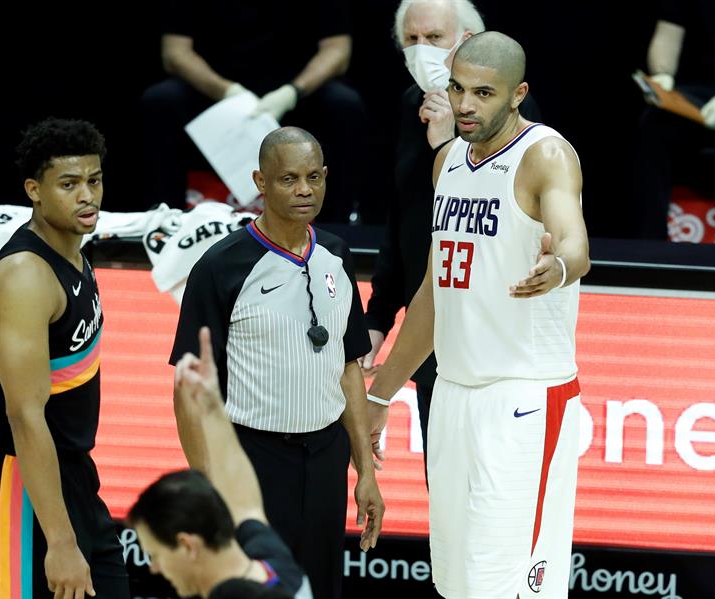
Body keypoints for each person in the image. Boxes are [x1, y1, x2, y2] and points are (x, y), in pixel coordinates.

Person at [366, 32, 590, 598]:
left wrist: (559, 268)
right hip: (454, 395)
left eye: (483, 93)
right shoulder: (448, 166)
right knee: (457, 583)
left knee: (512, 587)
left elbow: (574, 244)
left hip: (525, 398)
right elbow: (433, 298)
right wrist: (379, 395)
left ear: (518, 94)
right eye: (457, 89)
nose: (465, 105)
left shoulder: (546, 154)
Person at [170, 127, 384, 599]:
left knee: (319, 587)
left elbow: (348, 367)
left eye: (313, 177)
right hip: (252, 458)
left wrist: (365, 471)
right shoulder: (221, 267)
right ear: (260, 182)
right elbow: (188, 392)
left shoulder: (337, 255)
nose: (304, 189)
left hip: (326, 459)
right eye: (288, 179)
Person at [362, 0, 542, 478]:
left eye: (435, 39)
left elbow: (488, 220)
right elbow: (402, 223)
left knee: (493, 490)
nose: (421, 51)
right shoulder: (409, 105)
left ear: (466, 42)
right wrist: (377, 319)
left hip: (491, 335)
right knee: (442, 486)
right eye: (412, 40)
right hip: (430, 322)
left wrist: (448, 145)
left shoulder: (515, 119)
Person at [0, 118, 130, 598]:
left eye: (94, 181)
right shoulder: (24, 278)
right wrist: (59, 541)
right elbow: (24, 415)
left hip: (71, 473)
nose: (87, 196)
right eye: (69, 184)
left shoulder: (76, 253)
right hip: (21, 484)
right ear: (34, 190)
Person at [141, 0, 372, 223]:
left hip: (295, 93)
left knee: (345, 105)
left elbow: (337, 51)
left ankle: (336, 228)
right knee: (161, 101)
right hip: (214, 91)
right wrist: (228, 91)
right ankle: (166, 223)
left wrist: (292, 93)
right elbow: (175, 53)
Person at [129, 327, 309, 599]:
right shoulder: (272, 562)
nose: (154, 568)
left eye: (156, 554)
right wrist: (211, 405)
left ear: (188, 545)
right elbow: (245, 505)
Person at [633, 0, 715, 243]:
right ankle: (650, 246)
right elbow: (668, 36)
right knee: (653, 126)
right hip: (697, 94)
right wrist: (662, 76)